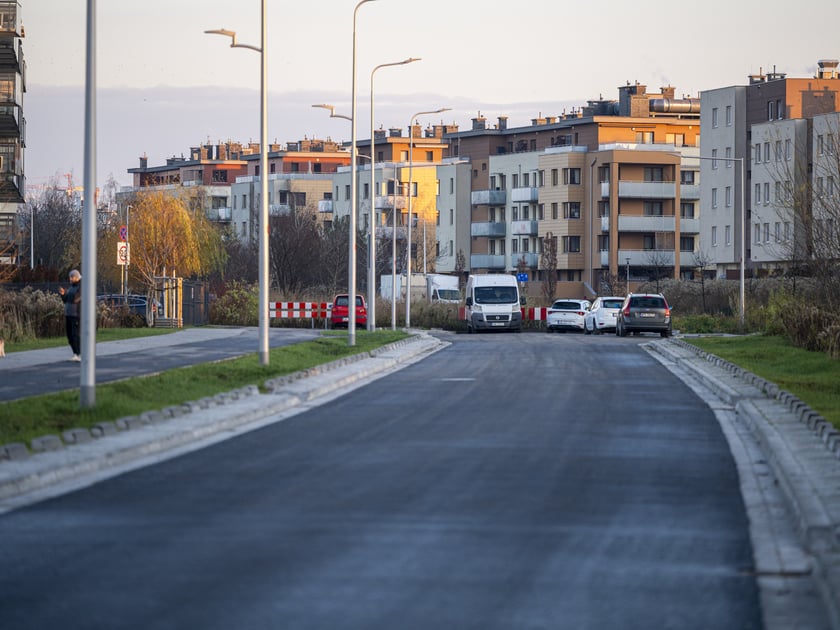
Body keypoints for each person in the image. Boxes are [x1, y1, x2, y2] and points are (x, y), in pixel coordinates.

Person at [59, 269, 82, 362]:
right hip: (68, 314)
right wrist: (63, 294)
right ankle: (75, 353)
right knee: (69, 335)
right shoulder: (71, 288)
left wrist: (70, 295)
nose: (70, 279)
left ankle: (79, 353)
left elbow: (76, 299)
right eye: (70, 277)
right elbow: (65, 300)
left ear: (77, 277)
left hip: (76, 314)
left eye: (72, 277)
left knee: (75, 334)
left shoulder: (81, 287)